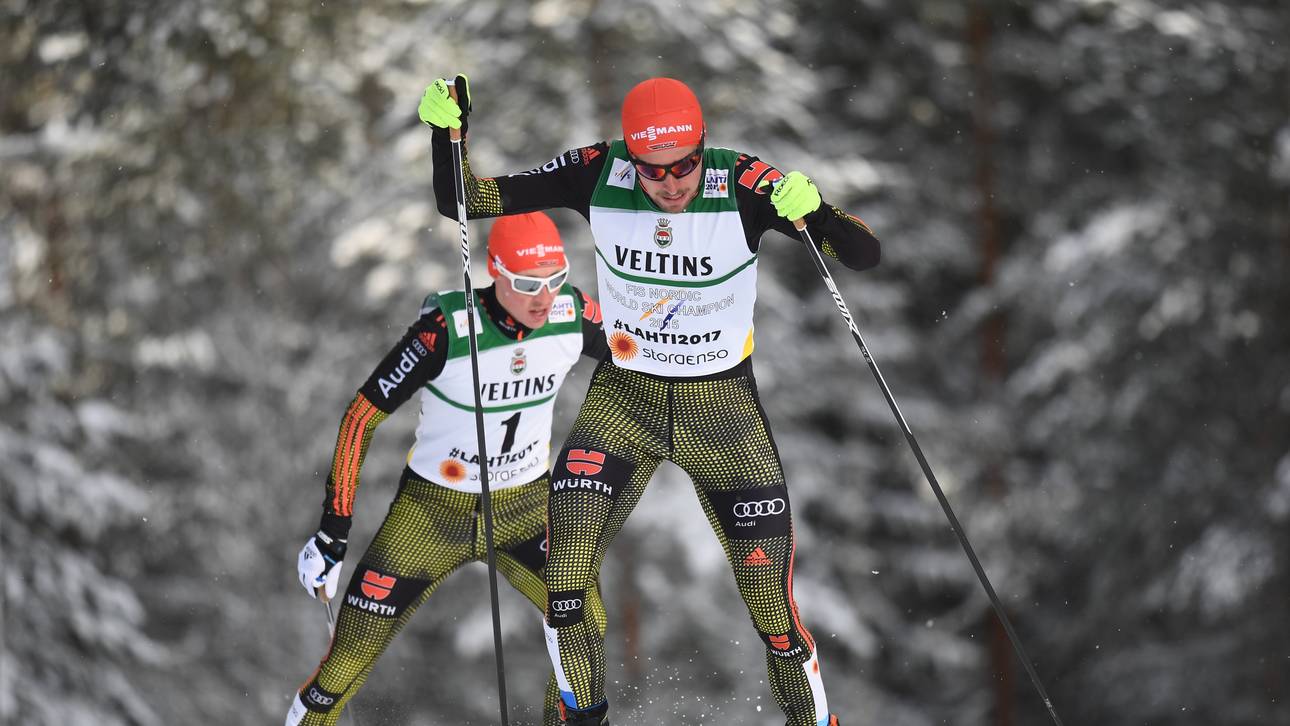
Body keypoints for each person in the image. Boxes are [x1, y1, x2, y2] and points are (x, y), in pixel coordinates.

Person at [419, 75, 880, 726]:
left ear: (703, 147)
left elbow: (863, 254)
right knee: (565, 581)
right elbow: (465, 200)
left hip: (722, 414)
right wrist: (448, 134)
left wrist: (821, 212)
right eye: (652, 170)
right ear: (631, 158)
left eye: (684, 166)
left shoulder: (745, 184)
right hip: (623, 404)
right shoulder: (596, 171)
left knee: (774, 616)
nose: (670, 184)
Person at [285, 212, 608, 726]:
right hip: (432, 515)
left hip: (525, 507)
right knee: (345, 663)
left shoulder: (572, 314)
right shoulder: (446, 331)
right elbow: (361, 416)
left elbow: (647, 362)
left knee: (584, 623)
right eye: (526, 284)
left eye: (554, 280)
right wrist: (333, 532)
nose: (543, 299)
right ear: (495, 273)